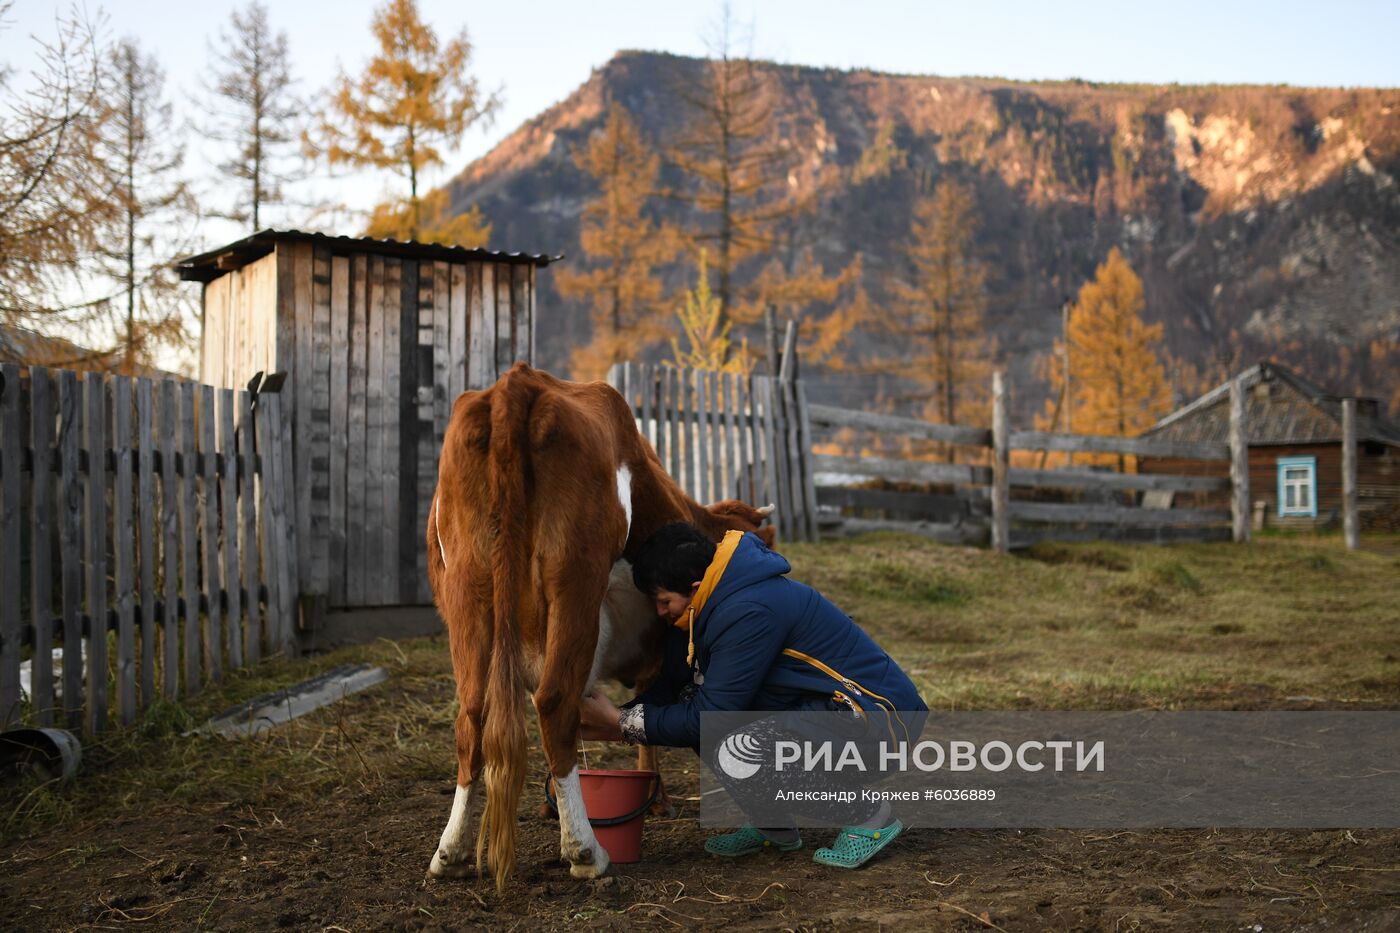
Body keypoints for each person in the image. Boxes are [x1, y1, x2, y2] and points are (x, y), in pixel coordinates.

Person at [578, 522, 928, 869]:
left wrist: (620, 723)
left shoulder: (749, 610)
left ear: (695, 587)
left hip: (878, 720)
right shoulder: (700, 613)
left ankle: (868, 815)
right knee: (705, 718)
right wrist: (611, 718)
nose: (660, 612)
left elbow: (711, 713)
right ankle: (772, 825)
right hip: (824, 713)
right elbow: (673, 690)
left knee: (737, 745)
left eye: (663, 600)